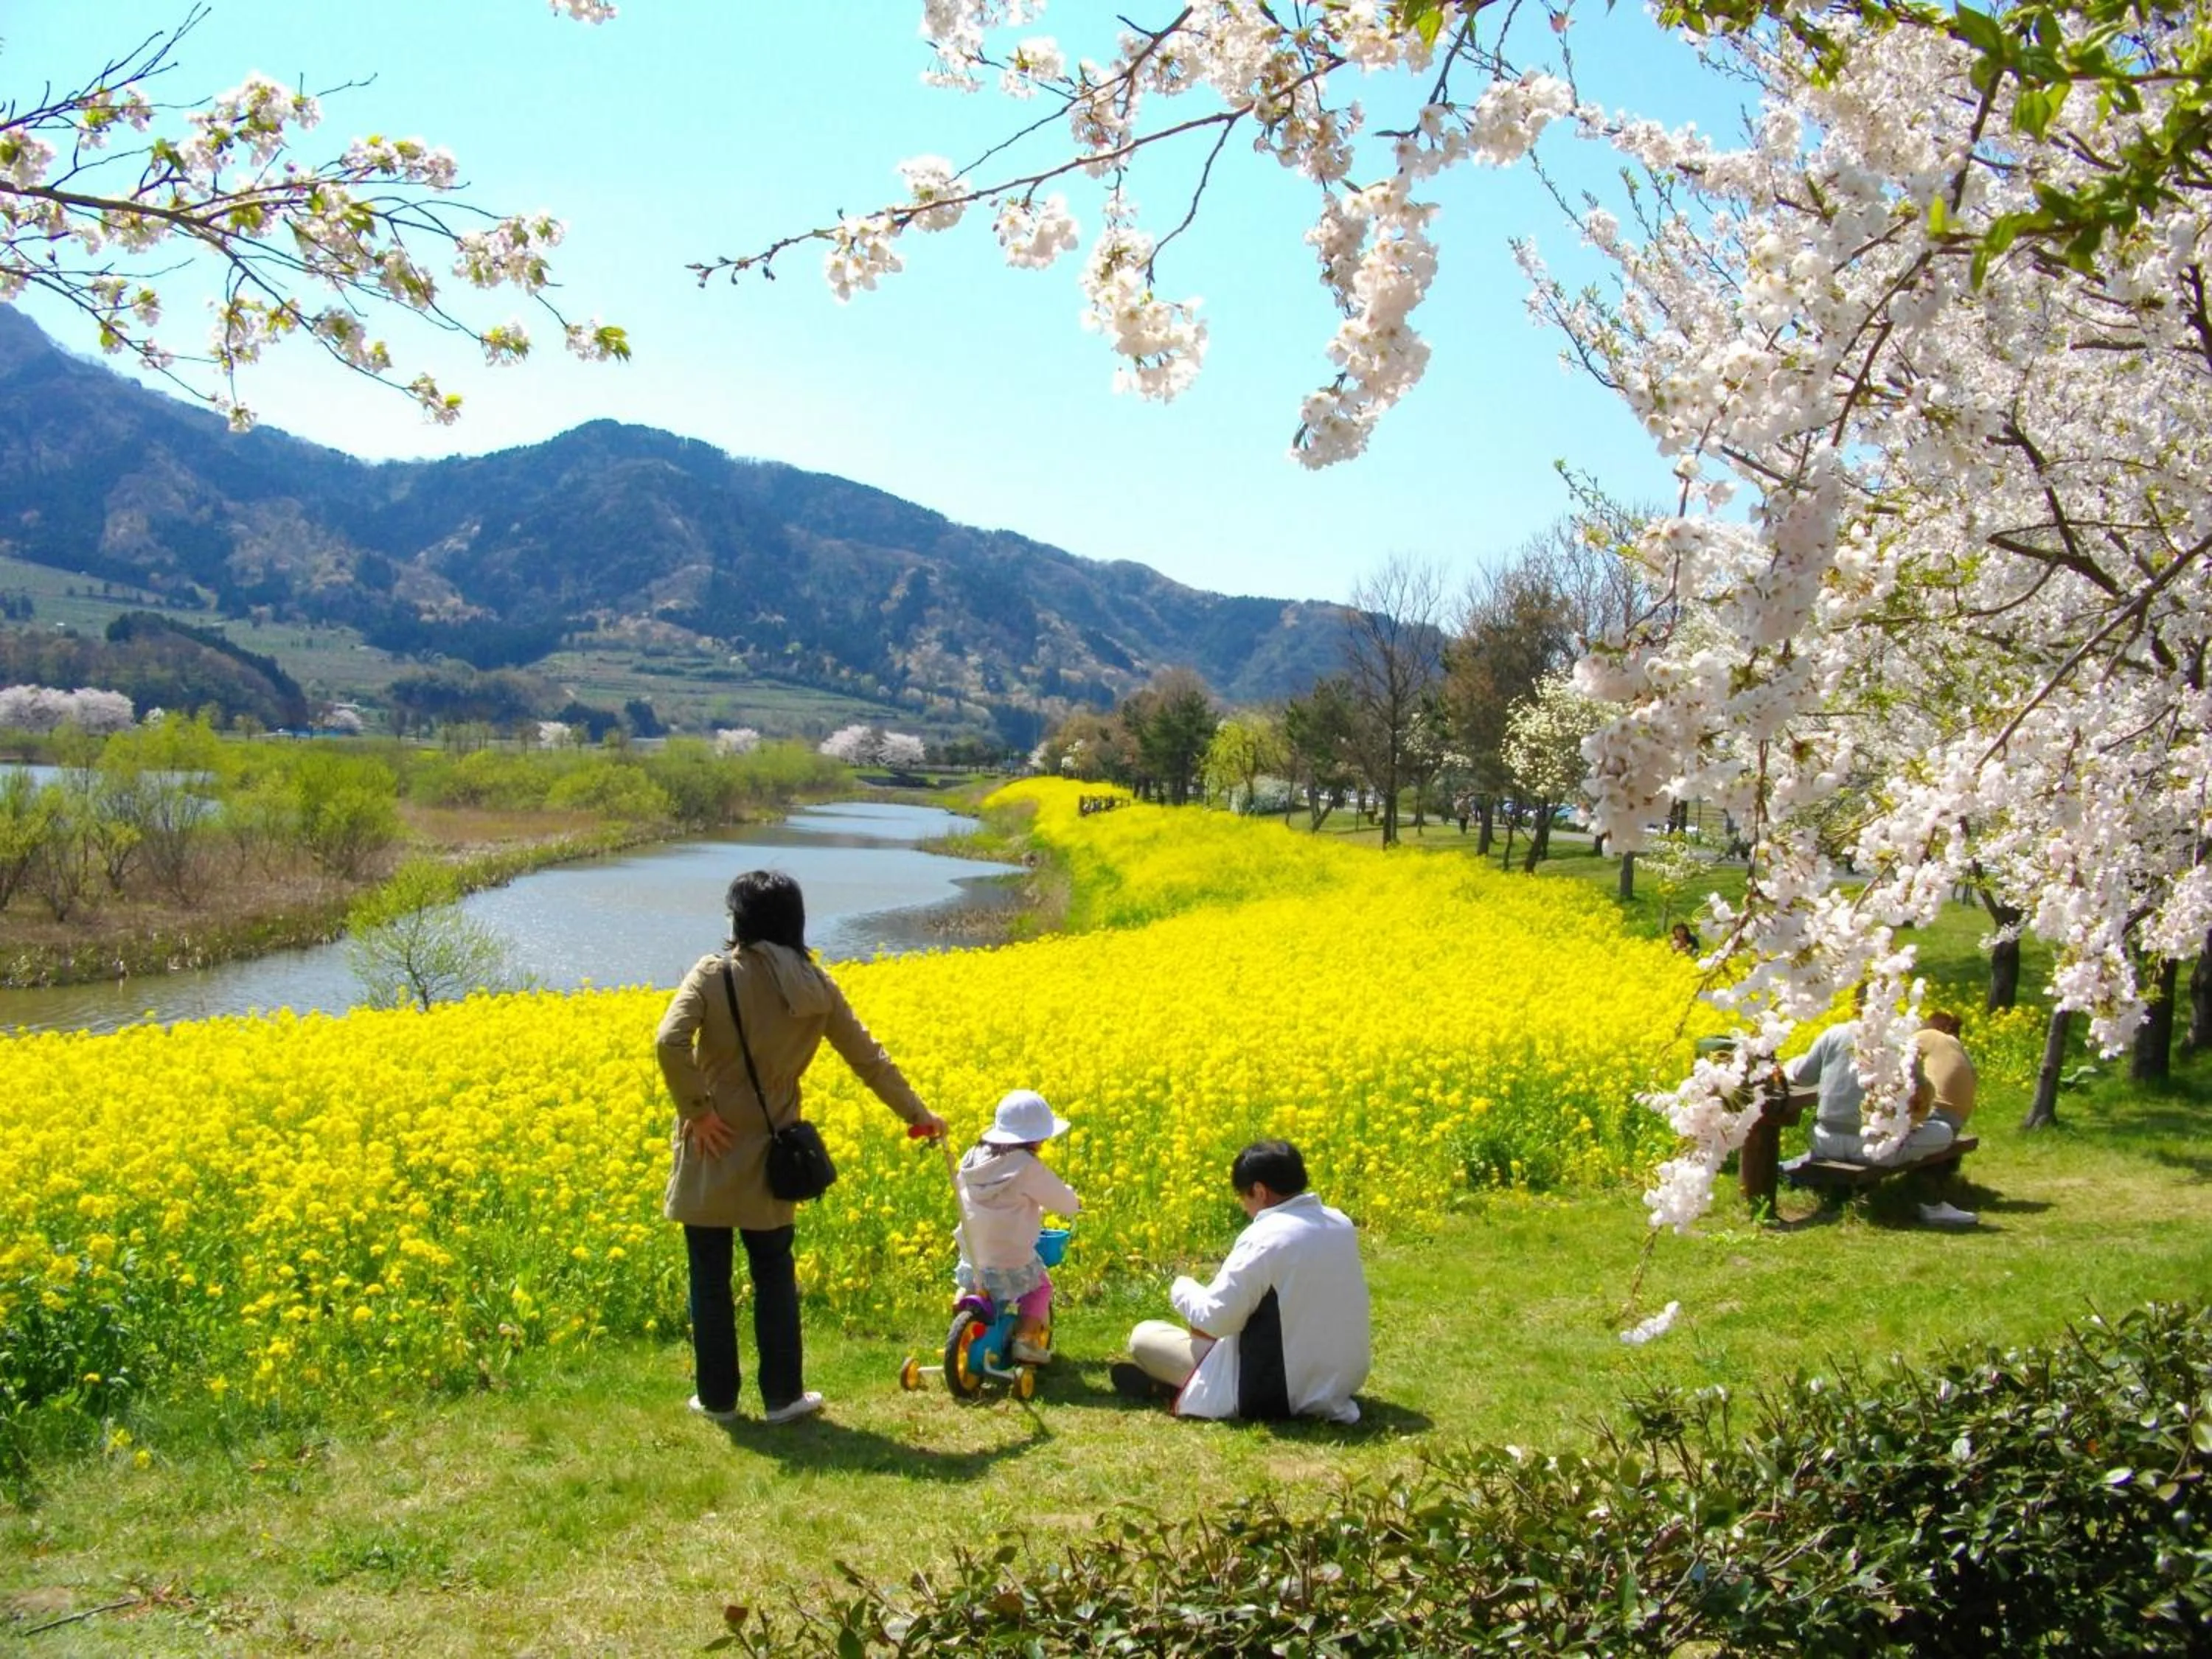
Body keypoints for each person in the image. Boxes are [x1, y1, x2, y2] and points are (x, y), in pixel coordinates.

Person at [655, 869, 945, 1425]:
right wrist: (919, 1115)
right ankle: (783, 1398)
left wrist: (700, 1111)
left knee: (709, 1274)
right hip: (773, 1147)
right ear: (795, 919)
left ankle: (717, 1401)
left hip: (713, 1145)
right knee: (774, 1272)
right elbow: (869, 1060)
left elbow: (669, 1041)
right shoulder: (817, 984)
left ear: (738, 918)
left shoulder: (713, 974)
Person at [1112, 1140, 1370, 1423]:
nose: (1246, 1207)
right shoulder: (1340, 1223)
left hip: (1274, 1393)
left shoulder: (1266, 1236)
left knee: (1145, 1338)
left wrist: (1182, 1289)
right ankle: (1171, 1385)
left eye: (1244, 1197)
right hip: (1341, 1382)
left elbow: (1217, 1320)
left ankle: (1170, 1387)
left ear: (1259, 1191)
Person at [1785, 997, 1975, 1227]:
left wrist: (1791, 1065)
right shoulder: (1900, 1044)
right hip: (1875, 1148)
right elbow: (1920, 1093)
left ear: (1855, 1006)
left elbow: (1804, 1076)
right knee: (1943, 1132)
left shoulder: (1833, 1034)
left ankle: (1792, 1171)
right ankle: (1928, 1201)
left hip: (1825, 1140)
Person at [955, 1088, 1082, 1363]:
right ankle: (1025, 1342)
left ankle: (962, 1308)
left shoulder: (971, 1158)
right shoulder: (1026, 1167)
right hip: (1010, 1258)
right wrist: (1074, 1200)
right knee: (1040, 1287)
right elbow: (1066, 1203)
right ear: (1036, 1137)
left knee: (979, 1278)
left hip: (972, 1256)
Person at [1912, 1011, 1978, 1133]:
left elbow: (1899, 1053)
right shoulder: (1960, 1048)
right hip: (1956, 1123)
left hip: (1933, 1113)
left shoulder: (1930, 1035)